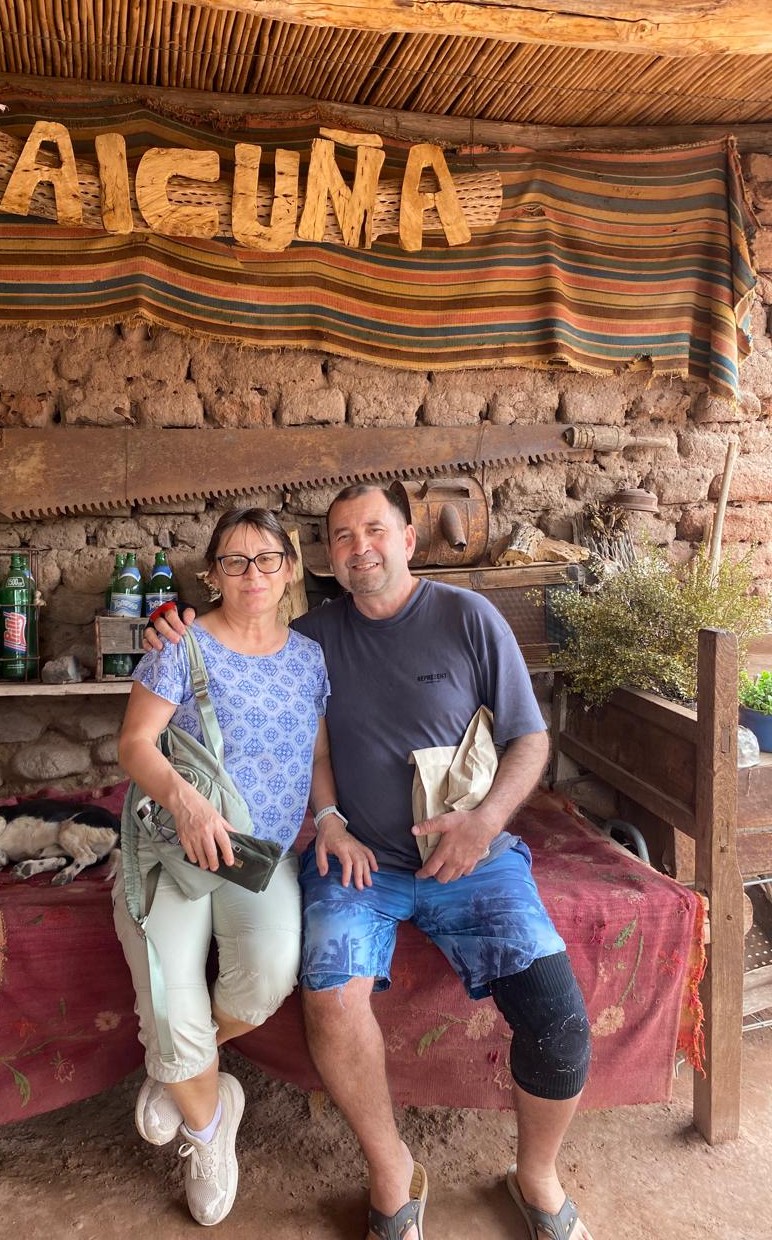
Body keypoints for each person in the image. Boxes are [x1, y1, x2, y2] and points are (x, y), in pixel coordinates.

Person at [145, 485, 594, 1240]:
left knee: (557, 1016)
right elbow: (245, 646)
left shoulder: (468, 618)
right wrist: (170, 629)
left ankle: (537, 1177)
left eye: (375, 530)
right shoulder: (311, 638)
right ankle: (391, 1171)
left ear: (409, 538)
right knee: (330, 991)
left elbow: (530, 740)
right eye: (343, 537)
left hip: (472, 857)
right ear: (323, 558)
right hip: (357, 866)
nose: (360, 548)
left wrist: (484, 824)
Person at [113, 506, 375, 1229]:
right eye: (234, 561)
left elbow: (318, 756)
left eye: (267, 560)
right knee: (169, 999)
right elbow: (135, 745)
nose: (252, 574)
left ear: (290, 568)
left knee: (261, 984)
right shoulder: (181, 644)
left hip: (258, 858)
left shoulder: (308, 658)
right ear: (212, 574)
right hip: (173, 844)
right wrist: (188, 803)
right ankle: (208, 1128)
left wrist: (327, 817)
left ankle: (180, 1070)